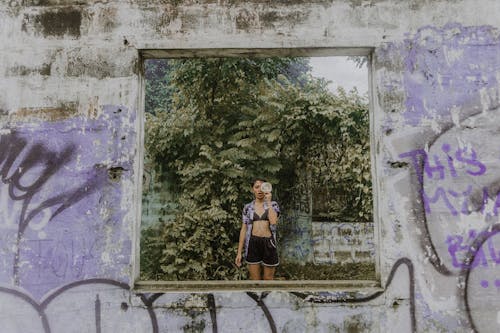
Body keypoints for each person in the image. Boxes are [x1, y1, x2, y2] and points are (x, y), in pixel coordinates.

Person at [235, 179, 280, 280]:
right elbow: (243, 229)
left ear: (266, 189)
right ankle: (258, 295)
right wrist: (239, 252)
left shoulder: (273, 205)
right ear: (252, 190)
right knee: (255, 280)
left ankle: (267, 296)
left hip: (268, 242)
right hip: (253, 243)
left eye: (262, 187)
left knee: (268, 279)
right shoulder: (248, 207)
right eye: (256, 187)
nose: (259, 190)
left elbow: (273, 222)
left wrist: (268, 202)